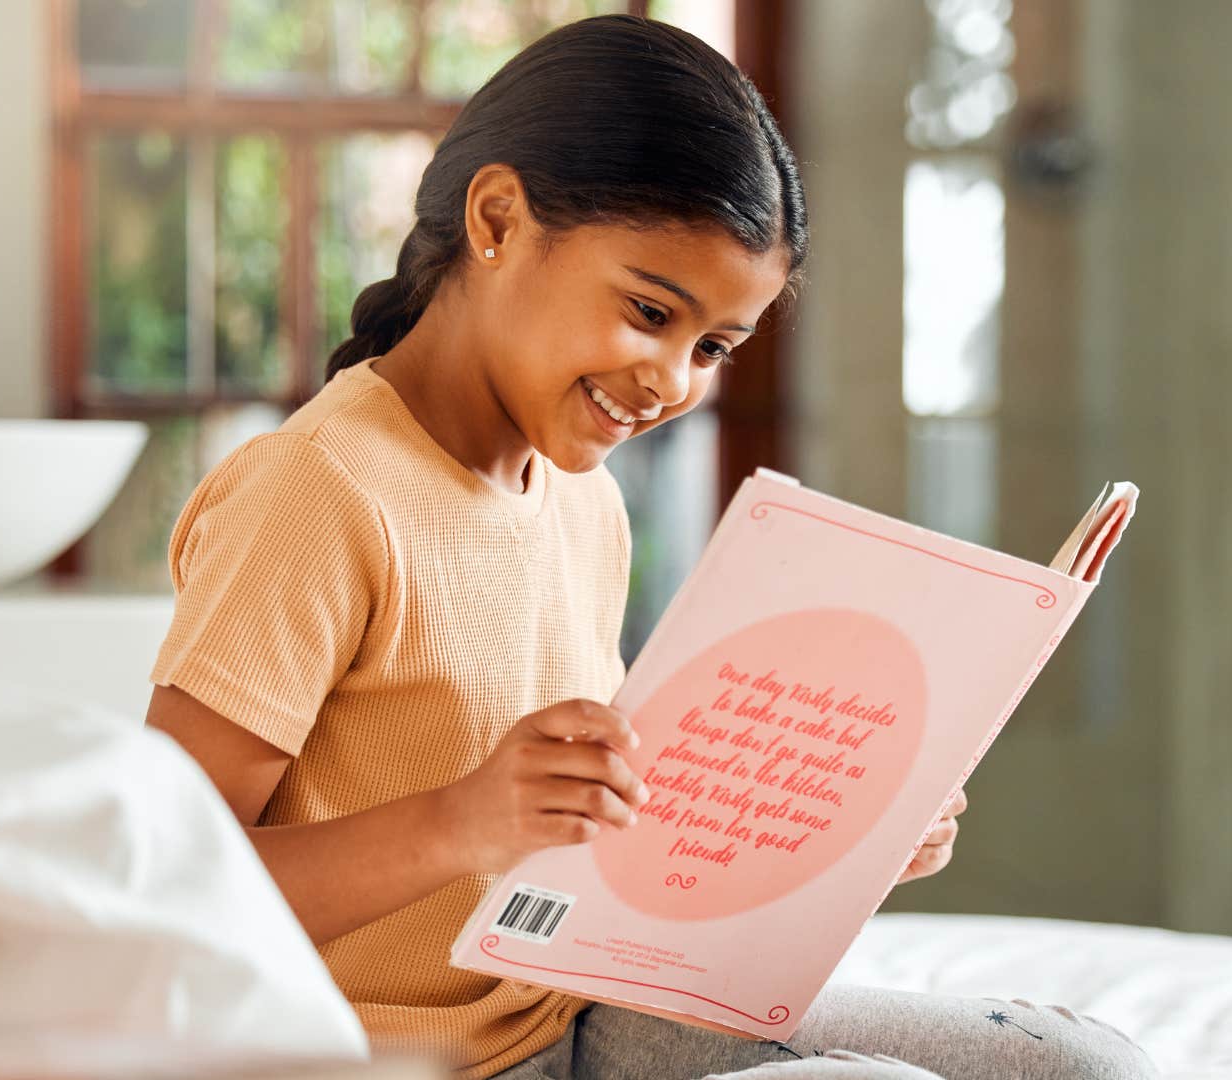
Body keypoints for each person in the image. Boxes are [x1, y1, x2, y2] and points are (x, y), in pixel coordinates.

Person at [144, 14, 1157, 1080]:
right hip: (393, 1057)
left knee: (1085, 1067)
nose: (674, 381)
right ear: (497, 219)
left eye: (713, 345)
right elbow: (148, 882)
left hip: (580, 1012)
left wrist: (838, 841)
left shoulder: (584, 502)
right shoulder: (318, 492)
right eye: (648, 310)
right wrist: (456, 823)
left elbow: (603, 840)